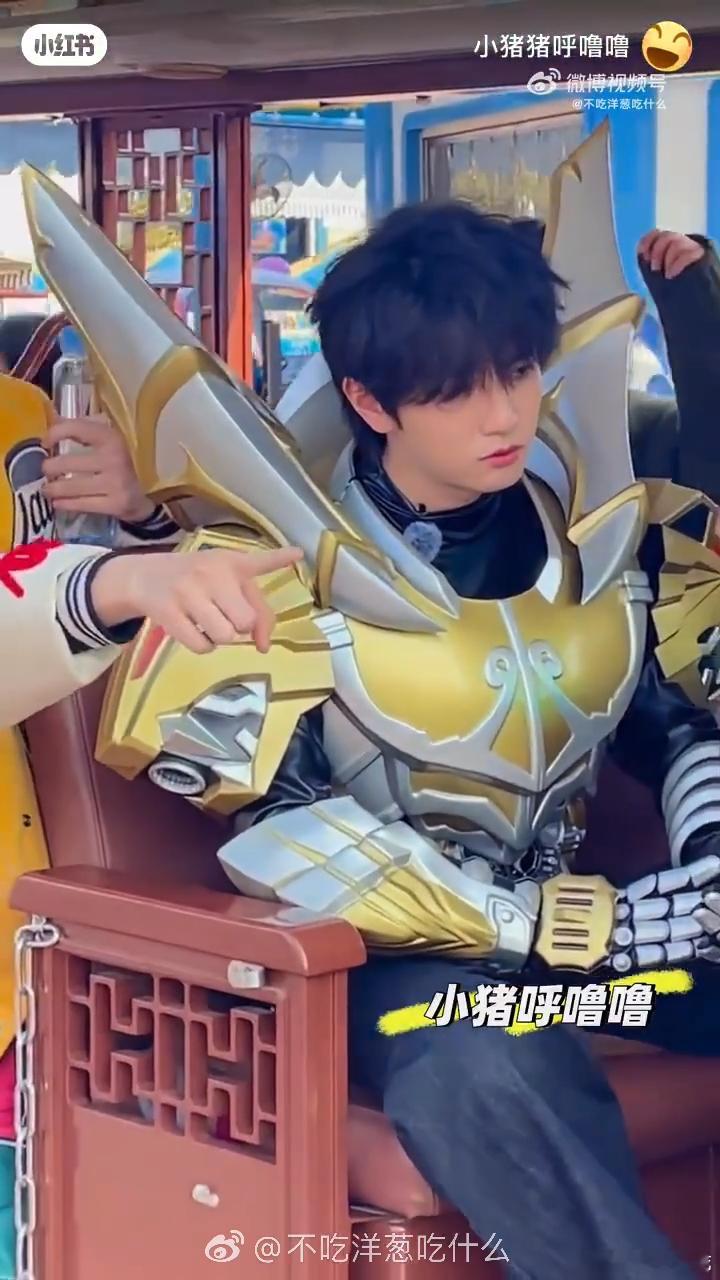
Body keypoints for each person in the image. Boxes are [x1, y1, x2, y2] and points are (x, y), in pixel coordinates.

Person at [22, 144, 720, 1280]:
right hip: (395, 966)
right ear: (368, 399)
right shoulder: (271, 564)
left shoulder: (599, 531)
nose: (504, 414)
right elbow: (280, 826)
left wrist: (706, 860)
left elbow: (672, 722)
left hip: (606, 947)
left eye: (519, 372)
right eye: (457, 390)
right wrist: (526, 927)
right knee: (481, 1061)